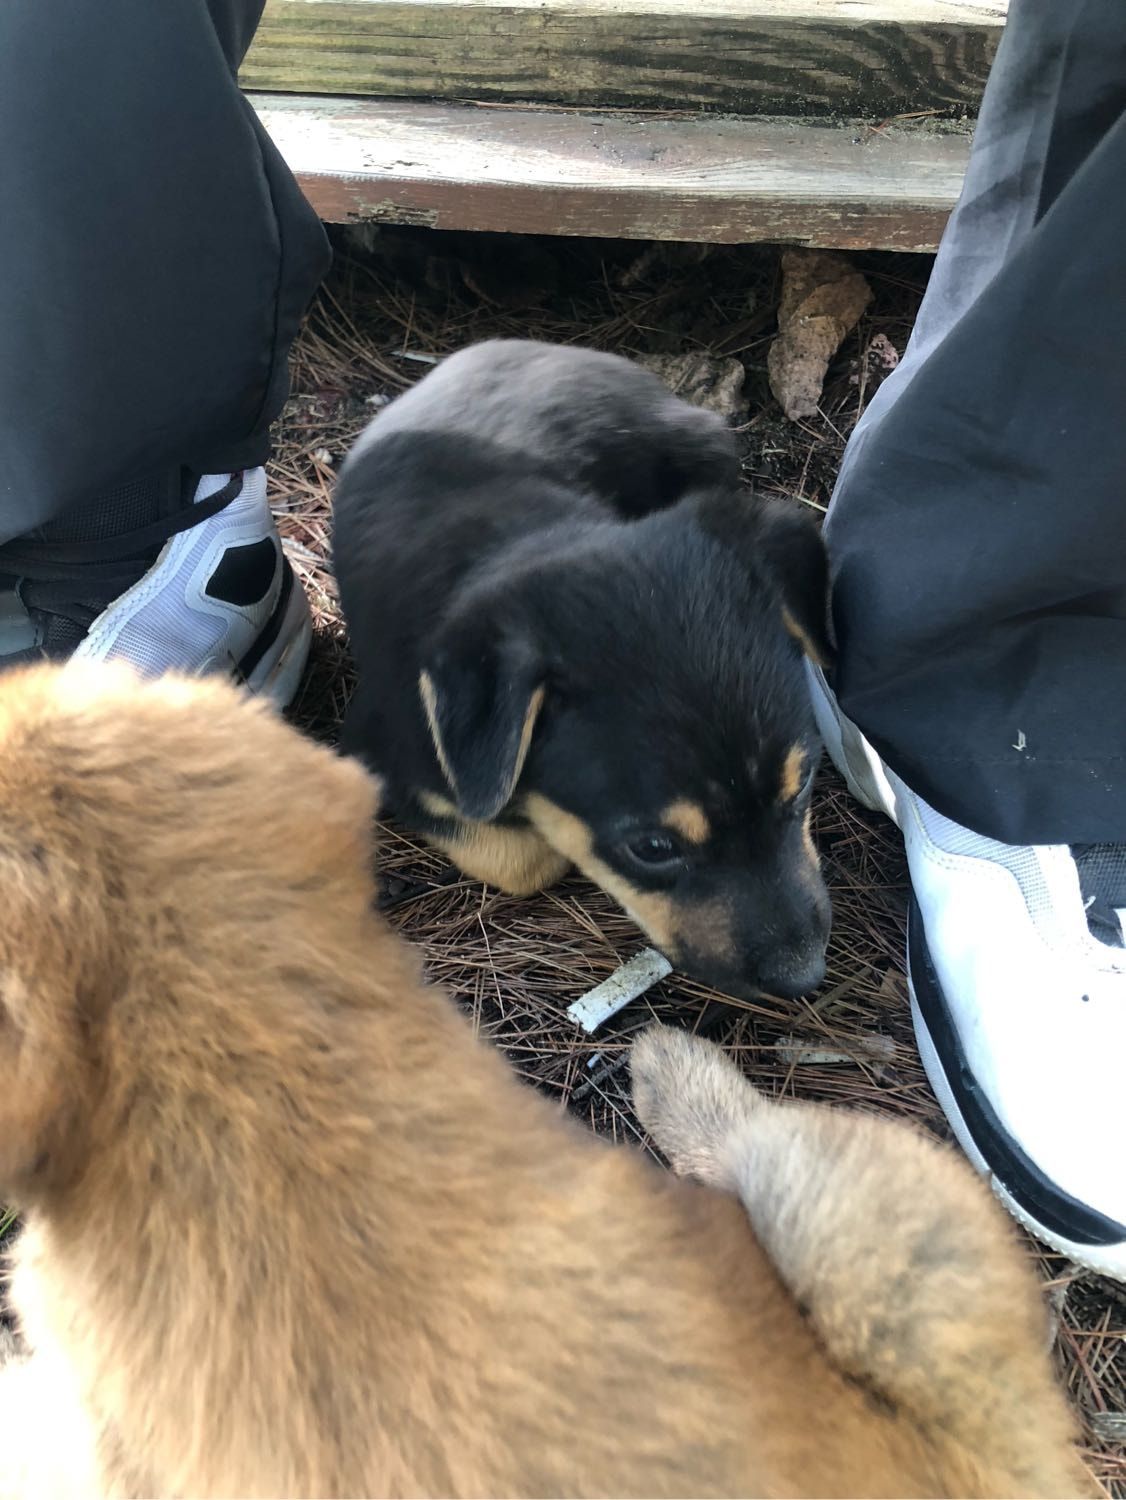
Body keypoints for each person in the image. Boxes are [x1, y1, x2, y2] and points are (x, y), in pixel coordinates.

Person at [2, 0, 1122, 1274]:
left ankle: (985, 686)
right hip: (483, 477)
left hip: (596, 439)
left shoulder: (685, 527)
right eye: (659, 849)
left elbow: (720, 549)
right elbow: (456, 816)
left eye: (794, 799)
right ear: (497, 730)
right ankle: (120, 535)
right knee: (511, 857)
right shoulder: (454, 716)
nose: (793, 947)